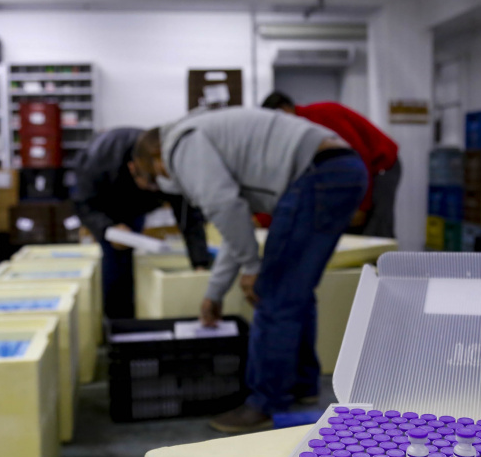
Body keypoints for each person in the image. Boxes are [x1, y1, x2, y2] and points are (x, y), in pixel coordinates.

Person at [132, 107, 367, 433]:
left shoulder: (180, 146)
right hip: (341, 170)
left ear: (157, 156)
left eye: (153, 174)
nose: (164, 181)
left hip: (317, 174)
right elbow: (235, 227)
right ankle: (302, 384)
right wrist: (215, 293)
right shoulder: (207, 138)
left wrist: (253, 269)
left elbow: (225, 207)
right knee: (293, 290)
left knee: (274, 293)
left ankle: (266, 404)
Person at [71, 127, 211, 320]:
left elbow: (189, 218)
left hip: (135, 205)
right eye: (151, 183)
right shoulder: (98, 161)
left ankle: (135, 311)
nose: (157, 189)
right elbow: (84, 205)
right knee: (114, 262)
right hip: (105, 203)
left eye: (161, 185)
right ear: (133, 168)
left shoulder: (167, 167)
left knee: (133, 259)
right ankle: (115, 321)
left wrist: (200, 263)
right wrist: (107, 229)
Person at [261, 91, 400, 238]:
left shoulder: (322, 117)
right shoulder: (298, 132)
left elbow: (359, 156)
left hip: (380, 166)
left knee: (376, 228)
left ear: (286, 109)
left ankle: (385, 260)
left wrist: (362, 206)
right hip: (352, 172)